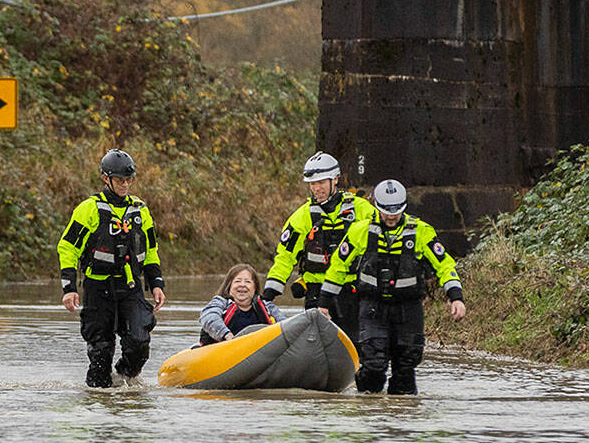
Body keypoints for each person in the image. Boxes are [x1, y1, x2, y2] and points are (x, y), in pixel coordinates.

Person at [318, 179, 467, 395]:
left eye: (396, 210)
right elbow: (338, 266)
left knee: (406, 366)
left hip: (408, 309)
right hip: (372, 307)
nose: (391, 215)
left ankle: (402, 417)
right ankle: (370, 412)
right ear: (377, 206)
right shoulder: (360, 231)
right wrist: (325, 302)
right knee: (374, 365)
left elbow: (444, 264)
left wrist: (456, 297)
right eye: (386, 210)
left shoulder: (421, 232)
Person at [58, 149, 167, 388]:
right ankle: (99, 398)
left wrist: (156, 283)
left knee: (139, 340)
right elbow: (68, 248)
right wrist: (69, 287)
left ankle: (125, 377)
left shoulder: (141, 210)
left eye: (129, 180)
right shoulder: (89, 209)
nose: (125, 185)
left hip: (129, 286)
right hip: (98, 287)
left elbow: (150, 250)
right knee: (101, 351)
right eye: (120, 180)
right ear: (105, 178)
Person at [263, 151, 375, 345]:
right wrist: (270, 293)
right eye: (313, 184)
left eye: (321, 182)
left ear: (335, 180)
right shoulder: (302, 216)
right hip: (316, 292)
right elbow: (285, 257)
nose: (317, 188)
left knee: (357, 344)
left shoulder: (361, 210)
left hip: (352, 291)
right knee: (317, 346)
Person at [198, 263, 287, 345]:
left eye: (248, 282)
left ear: (254, 287)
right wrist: (227, 335)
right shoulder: (220, 302)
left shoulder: (267, 306)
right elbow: (209, 317)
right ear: (229, 286)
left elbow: (285, 325)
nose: (242, 285)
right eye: (237, 281)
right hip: (222, 349)